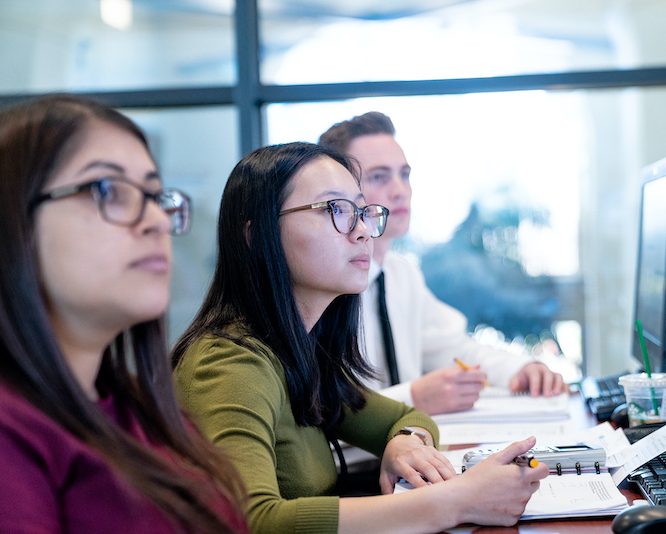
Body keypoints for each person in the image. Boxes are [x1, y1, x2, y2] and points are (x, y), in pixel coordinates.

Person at [172, 142, 549, 534]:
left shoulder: (299, 349)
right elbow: (248, 521)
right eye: (335, 210)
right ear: (256, 236)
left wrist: (405, 441)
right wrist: (454, 501)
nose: (364, 231)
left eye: (362, 212)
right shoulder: (228, 363)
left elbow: (406, 418)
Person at [0, 95, 248, 533]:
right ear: (13, 223)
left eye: (155, 195)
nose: (155, 220)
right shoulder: (13, 429)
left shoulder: (141, 406)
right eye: (107, 190)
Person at [319, 112, 565, 415]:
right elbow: (323, 418)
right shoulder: (322, 287)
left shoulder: (400, 273)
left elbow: (456, 350)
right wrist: (414, 399)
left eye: (404, 175)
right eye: (379, 176)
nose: (400, 190)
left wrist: (521, 368)